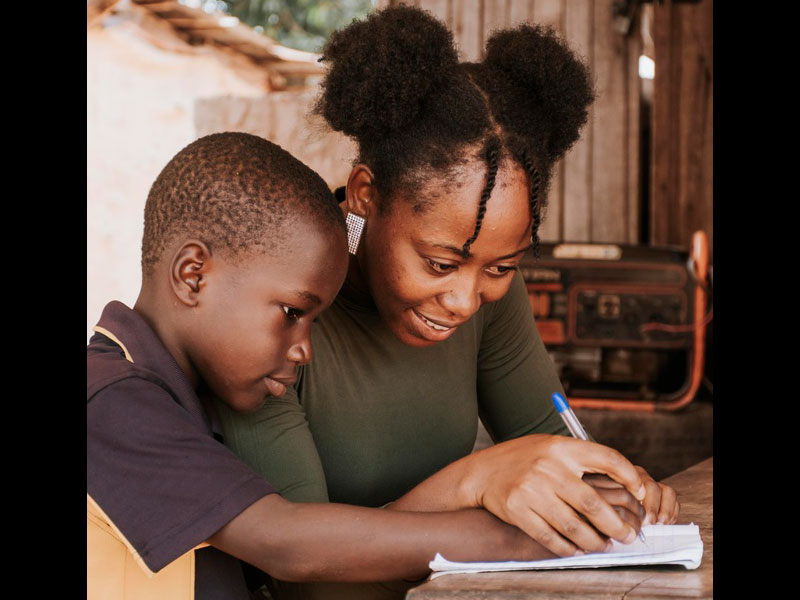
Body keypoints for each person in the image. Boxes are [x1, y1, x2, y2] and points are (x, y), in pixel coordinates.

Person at [214, 7, 679, 599]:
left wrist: (602, 490)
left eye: (502, 267)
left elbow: (550, 442)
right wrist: (475, 481)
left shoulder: (484, 292)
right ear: (365, 196)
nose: (465, 300)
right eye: (439, 263)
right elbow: (309, 580)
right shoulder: (277, 315)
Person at [87, 132, 640, 600]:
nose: (304, 349)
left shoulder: (181, 396)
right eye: (292, 313)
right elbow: (289, 545)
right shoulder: (110, 400)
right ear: (192, 276)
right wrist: (514, 518)